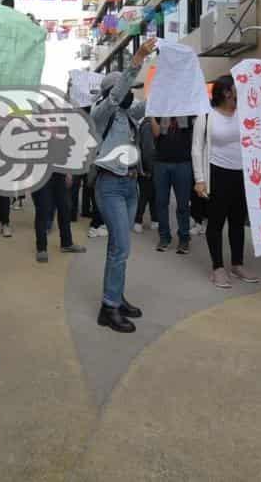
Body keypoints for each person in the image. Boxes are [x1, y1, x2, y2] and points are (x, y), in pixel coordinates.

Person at [91, 38, 157, 333]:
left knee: (120, 248)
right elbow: (119, 94)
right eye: (126, 90)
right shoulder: (101, 112)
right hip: (110, 186)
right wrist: (138, 59)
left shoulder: (130, 114)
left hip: (131, 186)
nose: (131, 95)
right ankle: (108, 308)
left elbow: (151, 104)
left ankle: (116, 297)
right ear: (111, 92)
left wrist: (170, 79)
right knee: (121, 247)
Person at [192, 76, 259, 289]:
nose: (240, 92)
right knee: (216, 222)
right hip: (216, 174)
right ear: (226, 93)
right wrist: (200, 180)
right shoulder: (206, 116)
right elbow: (196, 149)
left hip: (241, 175)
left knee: (238, 222)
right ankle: (218, 268)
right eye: (235, 89)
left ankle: (237, 264)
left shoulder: (244, 113)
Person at [152, 116, 195, 254]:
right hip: (161, 162)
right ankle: (164, 237)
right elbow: (157, 133)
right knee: (161, 202)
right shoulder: (159, 109)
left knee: (183, 204)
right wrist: (152, 114)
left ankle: (184, 238)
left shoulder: (188, 109)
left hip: (183, 162)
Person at [34, 169, 87, 262]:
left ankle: (66, 243)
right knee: (43, 210)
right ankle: (41, 248)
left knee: (65, 208)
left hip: (59, 174)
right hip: (40, 174)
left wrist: (68, 173)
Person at [132, 105, 157, 234]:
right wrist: (149, 168)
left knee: (150, 194)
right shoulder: (148, 125)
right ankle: (138, 220)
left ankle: (153, 219)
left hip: (145, 166)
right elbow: (148, 149)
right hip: (147, 167)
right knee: (146, 194)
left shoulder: (144, 123)